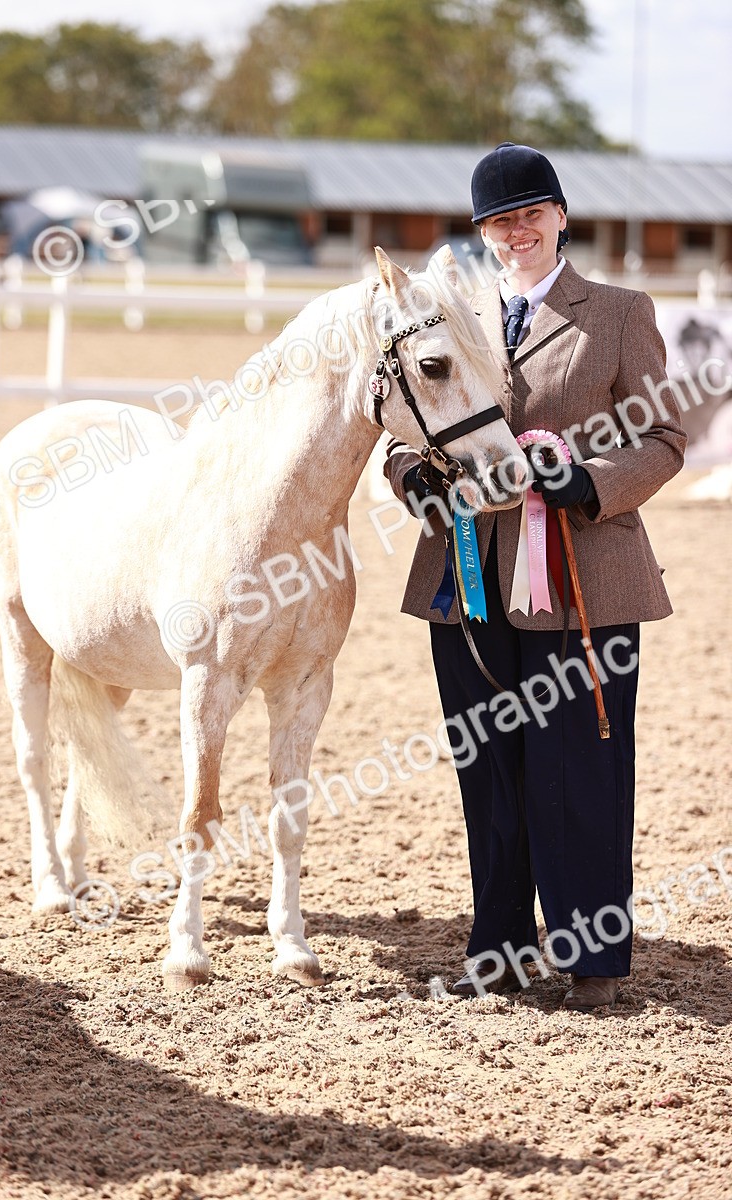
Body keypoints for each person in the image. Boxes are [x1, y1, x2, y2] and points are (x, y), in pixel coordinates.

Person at [384, 142, 686, 1012]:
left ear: (560, 216)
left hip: (586, 572)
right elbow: (410, 422)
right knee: (489, 764)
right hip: (467, 573)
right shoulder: (453, 312)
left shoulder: (621, 313)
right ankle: (502, 942)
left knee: (581, 762)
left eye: (529, 214)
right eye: (498, 221)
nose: (516, 231)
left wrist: (586, 482)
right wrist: (409, 476)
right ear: (484, 233)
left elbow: (663, 439)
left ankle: (593, 954)